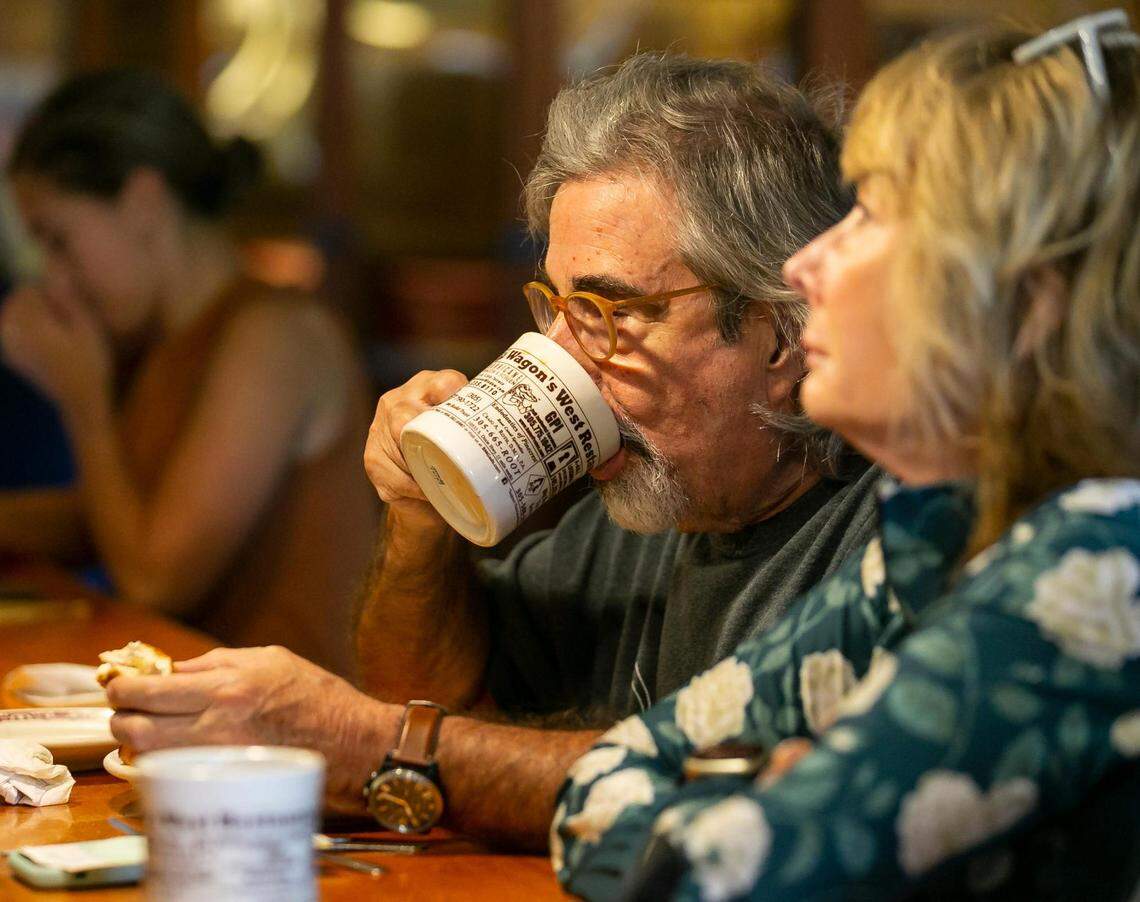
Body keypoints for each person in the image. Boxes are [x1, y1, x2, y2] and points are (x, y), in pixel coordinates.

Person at [104, 54, 879, 849]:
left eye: (614, 313)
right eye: (557, 304)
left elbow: (742, 792)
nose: (565, 355)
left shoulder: (892, 533)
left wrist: (370, 747)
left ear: (782, 334)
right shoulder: (654, 496)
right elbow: (430, 697)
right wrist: (421, 514)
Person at [550, 12, 1140, 900]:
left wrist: (738, 823)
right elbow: (597, 787)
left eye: (876, 215)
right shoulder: (941, 532)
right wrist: (754, 806)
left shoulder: (1104, 562)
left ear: (1024, 298)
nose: (805, 266)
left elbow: (699, 885)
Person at [0, 70, 378, 676]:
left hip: (301, 739)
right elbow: (117, 517)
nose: (54, 279)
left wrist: (82, 400)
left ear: (145, 201)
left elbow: (154, 578)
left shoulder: (273, 335)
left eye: (59, 239)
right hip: (205, 716)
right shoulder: (155, 339)